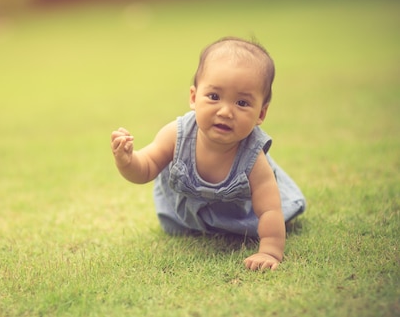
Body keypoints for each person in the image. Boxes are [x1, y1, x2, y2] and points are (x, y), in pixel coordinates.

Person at [110, 37, 306, 271]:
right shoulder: (176, 134)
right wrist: (127, 161)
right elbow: (147, 167)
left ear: (261, 114)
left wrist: (269, 251)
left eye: (242, 102)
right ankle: (195, 224)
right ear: (193, 98)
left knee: (271, 216)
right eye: (214, 97)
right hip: (185, 218)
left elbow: (269, 209)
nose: (225, 111)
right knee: (179, 227)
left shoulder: (253, 157)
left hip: (241, 217)